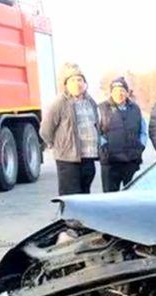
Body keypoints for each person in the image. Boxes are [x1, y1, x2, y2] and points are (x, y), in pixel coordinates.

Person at [40, 63, 99, 196]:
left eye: (80, 80)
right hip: (68, 160)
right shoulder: (60, 103)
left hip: (88, 157)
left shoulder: (90, 102)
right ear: (66, 84)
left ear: (85, 83)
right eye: (72, 80)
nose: (77, 83)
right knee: (71, 198)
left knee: (85, 197)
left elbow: (96, 125)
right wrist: (58, 146)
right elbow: (45, 130)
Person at [98, 77, 147, 193]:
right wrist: (104, 149)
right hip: (110, 163)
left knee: (132, 197)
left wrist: (140, 146)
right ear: (111, 92)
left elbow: (143, 131)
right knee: (110, 198)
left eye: (122, 90)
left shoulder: (135, 109)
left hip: (131, 161)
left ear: (127, 92)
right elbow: (97, 132)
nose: (119, 94)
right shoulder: (101, 109)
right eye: (116, 91)